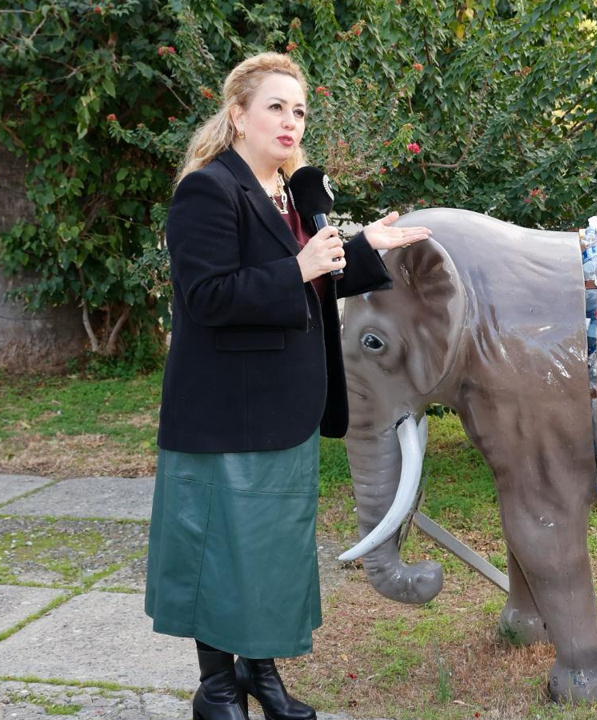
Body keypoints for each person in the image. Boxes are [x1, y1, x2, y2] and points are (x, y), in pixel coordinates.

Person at [144, 52, 432, 720]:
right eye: (275, 106)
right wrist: (301, 266)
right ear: (237, 114)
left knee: (269, 554)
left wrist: (365, 250)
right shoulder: (207, 191)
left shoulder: (290, 191)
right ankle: (217, 689)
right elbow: (208, 295)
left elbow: (313, 276)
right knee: (221, 549)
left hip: (286, 408)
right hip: (224, 412)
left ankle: (261, 676)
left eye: (299, 110)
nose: (290, 121)